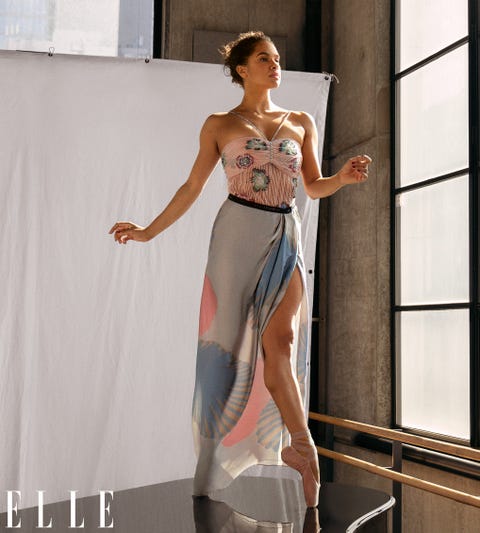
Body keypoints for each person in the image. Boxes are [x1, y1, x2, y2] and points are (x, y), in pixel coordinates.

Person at [108, 31, 371, 508]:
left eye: (277, 59)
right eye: (265, 60)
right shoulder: (219, 124)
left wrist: (344, 179)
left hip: (283, 237)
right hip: (234, 239)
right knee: (225, 355)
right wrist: (148, 230)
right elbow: (192, 187)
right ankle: (217, 460)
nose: (275, 66)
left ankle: (302, 448)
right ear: (242, 70)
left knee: (282, 346)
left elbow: (312, 187)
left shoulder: (300, 121)